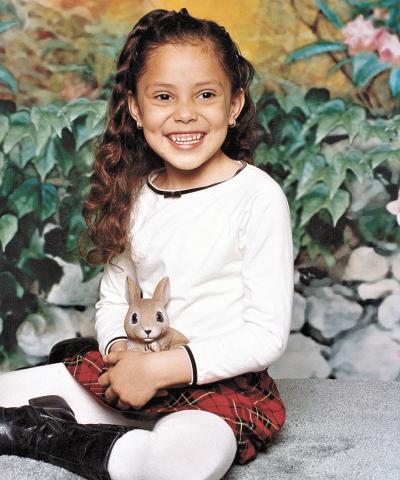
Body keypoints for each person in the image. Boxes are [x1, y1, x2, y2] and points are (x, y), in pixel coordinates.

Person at [0, 7, 294, 480]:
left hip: (216, 388)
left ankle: (59, 438)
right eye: (163, 96)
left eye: (205, 94)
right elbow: (115, 298)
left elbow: (265, 335)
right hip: (136, 367)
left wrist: (160, 371)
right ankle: (84, 423)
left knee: (180, 467)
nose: (184, 114)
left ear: (234, 105)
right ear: (136, 108)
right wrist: (122, 352)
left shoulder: (257, 197)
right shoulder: (137, 194)